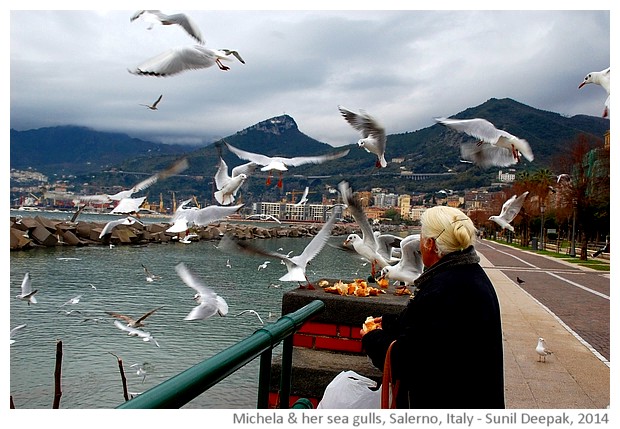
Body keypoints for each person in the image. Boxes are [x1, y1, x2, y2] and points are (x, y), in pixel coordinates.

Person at [361, 205, 505, 408]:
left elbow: (409, 359)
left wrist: (371, 338)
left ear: (430, 244)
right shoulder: (469, 275)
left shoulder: (446, 288)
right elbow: (436, 333)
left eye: (421, 236)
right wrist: (389, 323)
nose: (419, 243)